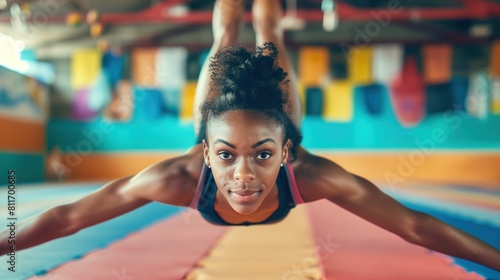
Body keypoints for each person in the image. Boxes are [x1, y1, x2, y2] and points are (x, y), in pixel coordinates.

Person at [1, 0, 499, 273]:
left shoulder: (313, 173)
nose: (243, 177)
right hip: (217, 122)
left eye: (263, 155)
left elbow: (414, 227)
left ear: (285, 153)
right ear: (204, 153)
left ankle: (266, 17)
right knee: (224, 36)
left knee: (271, 35)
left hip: (272, 119)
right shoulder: (176, 178)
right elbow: (67, 217)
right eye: (225, 156)